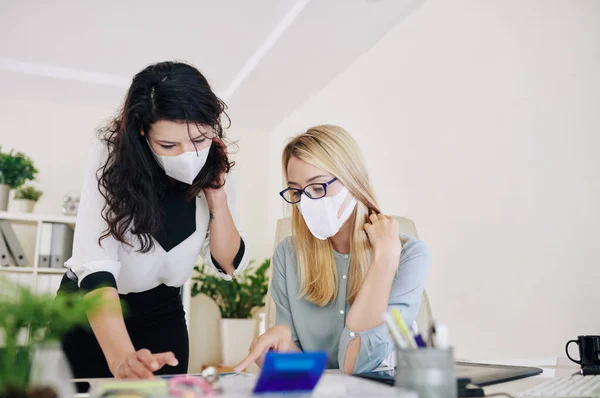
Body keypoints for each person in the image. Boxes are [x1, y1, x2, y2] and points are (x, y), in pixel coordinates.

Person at [56, 61, 249, 380]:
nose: (189, 155)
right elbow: (95, 266)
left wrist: (217, 197)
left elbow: (228, 263)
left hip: (163, 311)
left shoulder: (217, 162)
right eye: (169, 145)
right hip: (94, 308)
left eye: (200, 139)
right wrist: (121, 358)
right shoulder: (110, 157)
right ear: (142, 133)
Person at [234, 125, 430, 374]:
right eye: (297, 192)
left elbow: (355, 364)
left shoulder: (409, 255)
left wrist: (385, 259)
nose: (306, 203)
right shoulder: (288, 255)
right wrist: (281, 354)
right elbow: (300, 373)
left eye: (317, 188)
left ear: (353, 182)